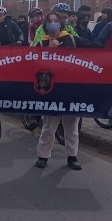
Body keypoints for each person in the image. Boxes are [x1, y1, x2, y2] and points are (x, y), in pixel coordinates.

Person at [34, 13, 81, 170]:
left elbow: (95, 48)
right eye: (50, 21)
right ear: (46, 25)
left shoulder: (72, 39)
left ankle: (72, 157)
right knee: (48, 126)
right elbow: (32, 62)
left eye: (56, 21)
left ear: (61, 23)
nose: (53, 24)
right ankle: (43, 156)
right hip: (50, 89)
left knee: (71, 126)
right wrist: (50, 50)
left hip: (71, 88)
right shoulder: (41, 43)